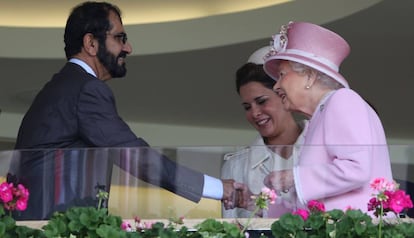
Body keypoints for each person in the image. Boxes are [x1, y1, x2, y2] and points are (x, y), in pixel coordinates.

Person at [9, 1, 247, 220]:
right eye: (120, 38)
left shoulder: (62, 86)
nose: (128, 48)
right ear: (91, 43)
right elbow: (135, 156)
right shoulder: (86, 88)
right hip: (53, 228)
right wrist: (217, 188)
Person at [262, 21, 393, 215]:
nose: (276, 86)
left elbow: (356, 168)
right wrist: (258, 204)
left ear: (309, 76)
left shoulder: (343, 100)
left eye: (282, 75)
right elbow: (316, 198)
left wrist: (293, 177)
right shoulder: (318, 117)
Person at [221, 46, 306, 218]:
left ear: (283, 95)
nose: (254, 113)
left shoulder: (325, 149)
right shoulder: (236, 166)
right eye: (247, 107)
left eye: (261, 101)